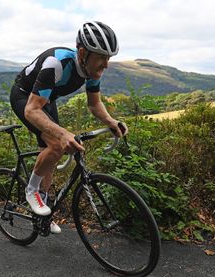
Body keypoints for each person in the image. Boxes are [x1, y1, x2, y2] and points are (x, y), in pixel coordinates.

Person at [10, 21, 128, 234]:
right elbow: (31, 110)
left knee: (52, 152)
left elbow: (94, 104)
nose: (106, 64)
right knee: (56, 143)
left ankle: (42, 211)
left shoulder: (90, 71)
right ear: (83, 52)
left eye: (108, 58)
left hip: (47, 100)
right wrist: (62, 133)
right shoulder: (56, 64)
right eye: (102, 57)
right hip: (25, 98)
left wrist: (110, 121)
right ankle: (31, 190)